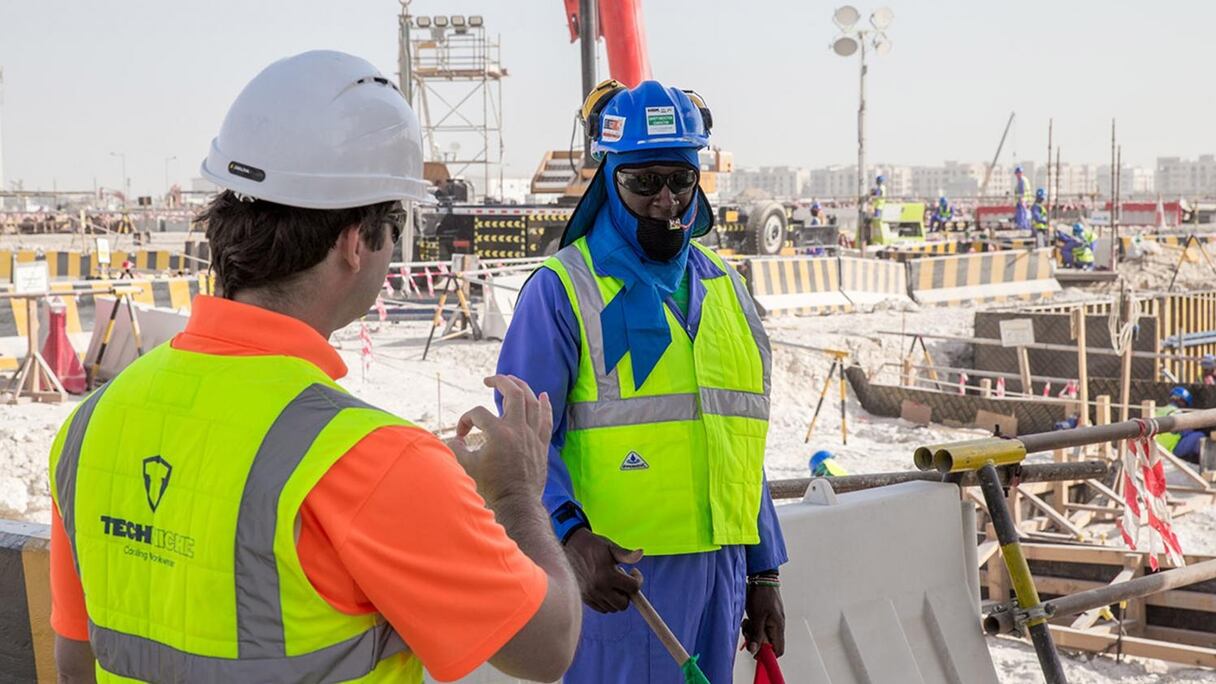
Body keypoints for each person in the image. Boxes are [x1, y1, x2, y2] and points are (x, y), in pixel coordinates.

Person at [48, 51, 581, 684]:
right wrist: (518, 492)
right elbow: (548, 646)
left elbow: (76, 661)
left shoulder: (91, 426)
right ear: (357, 242)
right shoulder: (373, 461)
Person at [495, 79, 787, 683]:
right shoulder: (562, 291)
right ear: (610, 180)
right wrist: (569, 538)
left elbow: (734, 439)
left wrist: (764, 571)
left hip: (722, 577)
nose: (667, 200)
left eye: (681, 180)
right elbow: (518, 442)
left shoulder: (724, 288)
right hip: (619, 580)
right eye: (643, 183)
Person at [1158, 386, 1203, 463]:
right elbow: (1186, 432)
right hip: (1170, 449)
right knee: (1199, 435)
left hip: (1156, 448)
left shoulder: (1160, 410)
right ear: (1183, 402)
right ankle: (1197, 461)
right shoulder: (1177, 413)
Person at [1013, 165, 1031, 230]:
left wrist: (1022, 200)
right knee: (1024, 214)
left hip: (1023, 200)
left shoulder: (1022, 181)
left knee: (1022, 214)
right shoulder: (1024, 180)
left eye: (1018, 173)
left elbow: (1022, 191)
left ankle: (1023, 227)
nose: (1017, 175)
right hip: (1024, 200)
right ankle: (1024, 226)